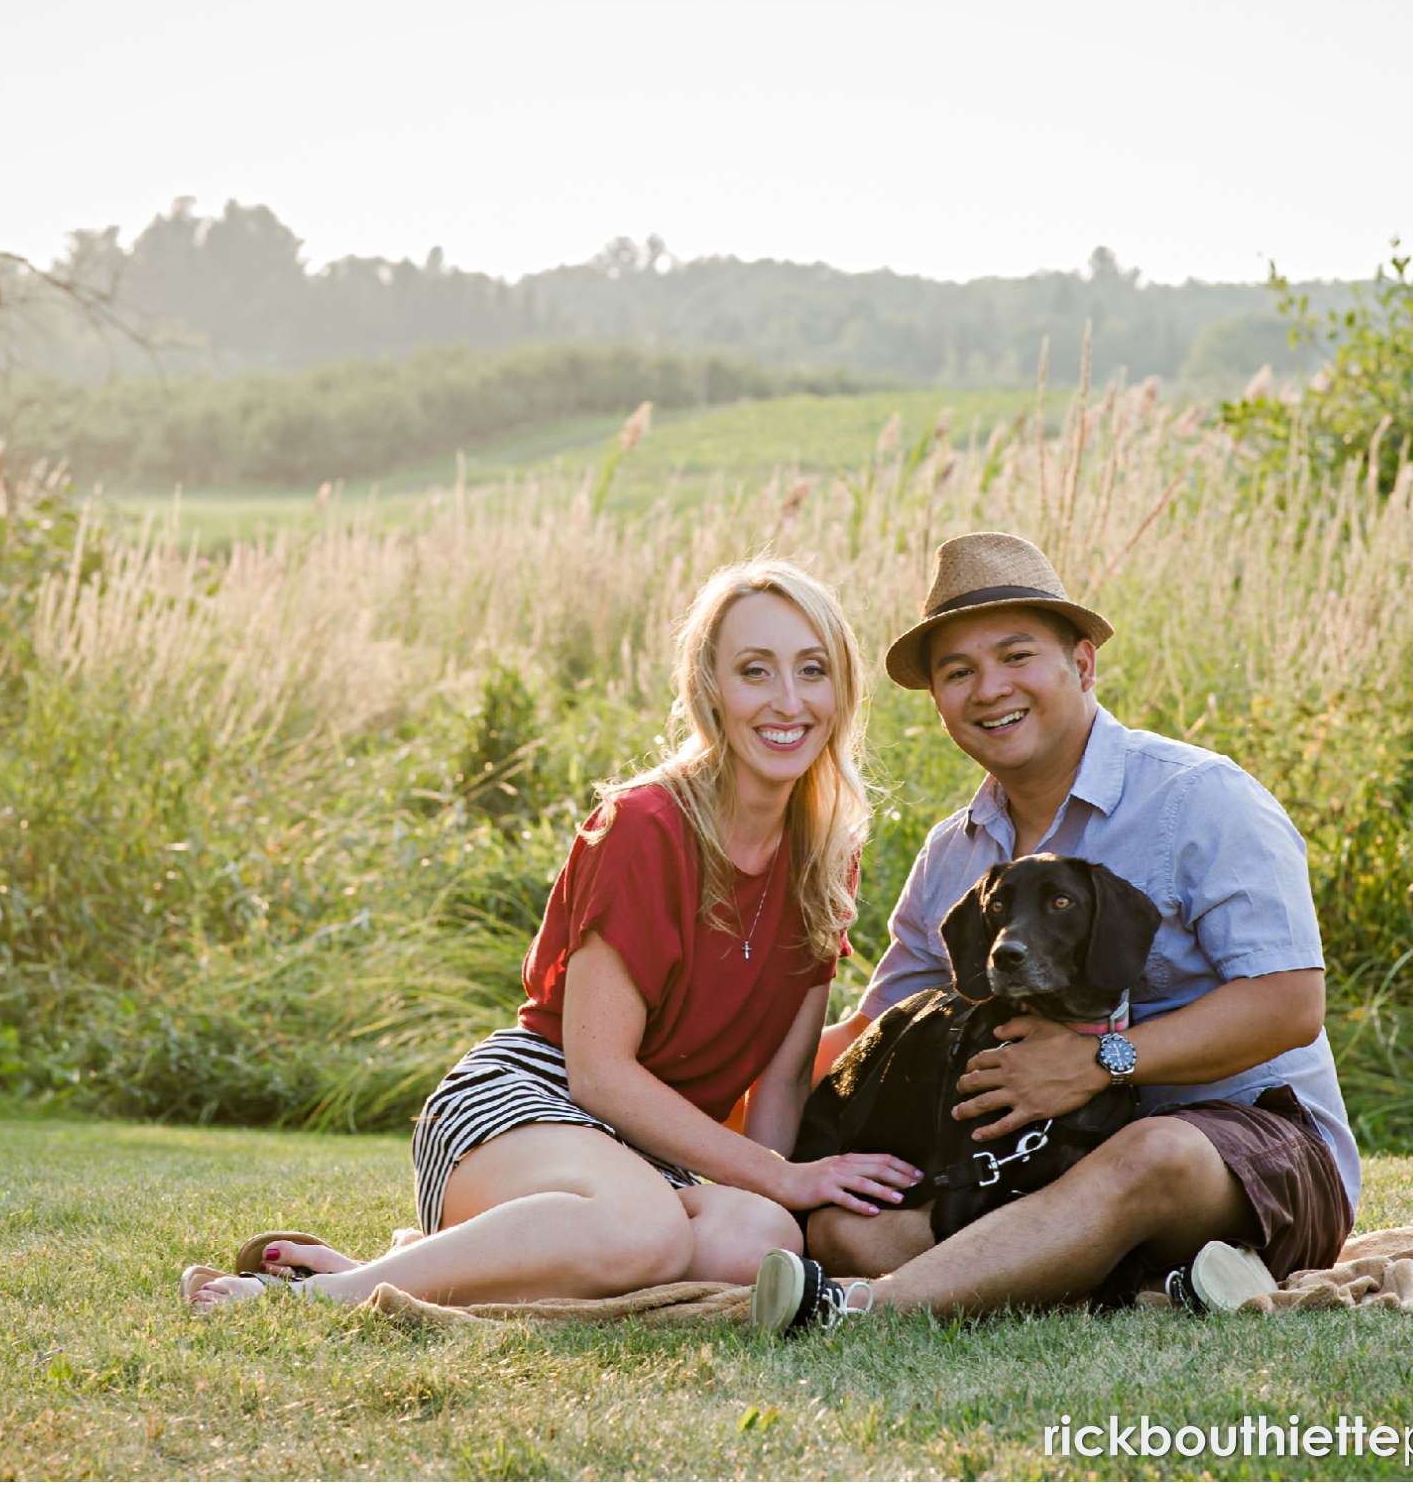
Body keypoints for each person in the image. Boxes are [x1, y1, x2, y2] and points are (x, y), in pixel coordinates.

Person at [185, 559, 921, 1310]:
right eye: (755, 671)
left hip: (645, 1159)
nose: (788, 701)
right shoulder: (646, 824)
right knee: (649, 1233)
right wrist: (786, 1174)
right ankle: (327, 1296)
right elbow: (598, 1072)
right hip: (524, 1103)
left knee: (757, 1241)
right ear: (710, 689)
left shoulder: (827, 858)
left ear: (842, 692)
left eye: (812, 670)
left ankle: (415, 1265)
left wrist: (779, 1187)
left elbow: (783, 1080)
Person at [749, 532, 1360, 1334]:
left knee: (1152, 1150)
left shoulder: (1200, 799)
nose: (988, 689)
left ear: (1081, 664)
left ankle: (862, 1310)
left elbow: (1289, 1004)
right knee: (840, 1223)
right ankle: (1151, 1276)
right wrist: (707, 1109)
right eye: (957, 671)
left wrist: (1099, 1064)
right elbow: (876, 1029)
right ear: (937, 699)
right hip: (1038, 1168)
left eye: (1015, 655)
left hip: (1253, 1151)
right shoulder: (954, 855)